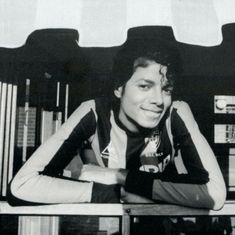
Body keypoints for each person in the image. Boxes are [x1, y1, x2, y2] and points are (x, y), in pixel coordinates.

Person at [7, 39, 226, 209]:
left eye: (166, 89)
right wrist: (119, 194)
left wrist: (119, 177)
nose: (159, 100)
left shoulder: (176, 112)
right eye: (144, 86)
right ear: (119, 88)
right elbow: (22, 186)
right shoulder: (93, 112)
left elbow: (214, 194)